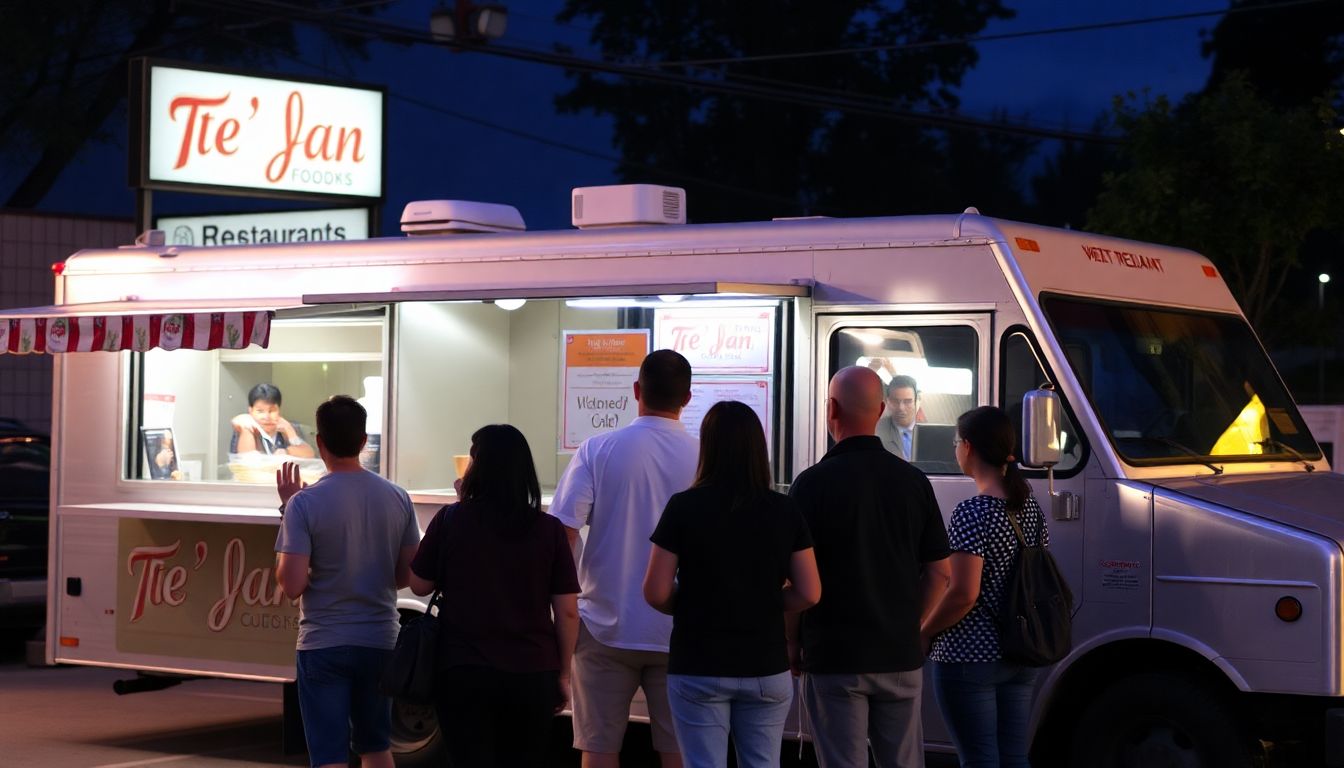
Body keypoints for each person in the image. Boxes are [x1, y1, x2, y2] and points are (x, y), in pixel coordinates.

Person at [788, 366, 951, 768]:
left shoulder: (810, 484)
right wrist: (912, 627)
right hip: (898, 653)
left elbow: (793, 577)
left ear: (831, 410)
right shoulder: (914, 482)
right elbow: (941, 573)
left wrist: (792, 641)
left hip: (835, 655)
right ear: (880, 409)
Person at [643, 400, 820, 768]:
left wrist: (693, 602)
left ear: (707, 447)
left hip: (698, 662)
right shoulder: (785, 509)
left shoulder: (683, 507)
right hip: (765, 665)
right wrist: (766, 601)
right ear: (759, 448)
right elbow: (809, 591)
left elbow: (655, 591)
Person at [550, 349, 700, 768]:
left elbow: (562, 533)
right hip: (681, 629)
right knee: (678, 750)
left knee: (598, 748)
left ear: (636, 391)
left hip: (603, 625)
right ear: (688, 398)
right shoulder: (706, 457)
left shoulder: (598, 449)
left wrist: (568, 606)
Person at [409, 424, 580, 767]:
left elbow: (418, 584)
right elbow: (567, 613)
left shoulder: (452, 520)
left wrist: (459, 510)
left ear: (477, 468)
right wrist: (562, 674)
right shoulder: (548, 530)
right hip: (532, 672)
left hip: (462, 671)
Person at [274, 395, 420, 768]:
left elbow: (291, 584)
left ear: (320, 442)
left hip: (324, 642)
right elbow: (406, 575)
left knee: (329, 754)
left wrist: (287, 509)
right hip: (380, 640)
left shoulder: (304, 504)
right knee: (375, 745)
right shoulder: (398, 497)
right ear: (363, 442)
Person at [921, 406, 1049, 768]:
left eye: (956, 442)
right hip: (1021, 650)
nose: (955, 450)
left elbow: (963, 593)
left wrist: (925, 631)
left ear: (969, 447)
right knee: (1013, 757)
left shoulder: (973, 511)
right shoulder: (1029, 507)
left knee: (979, 759)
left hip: (968, 657)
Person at [232, 383, 315, 458]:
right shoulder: (245, 426)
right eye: (260, 411)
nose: (267, 417)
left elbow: (309, 454)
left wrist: (288, 445)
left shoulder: (288, 426)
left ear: (279, 410)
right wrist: (245, 429)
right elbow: (247, 461)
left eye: (272, 411)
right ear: (251, 411)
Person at [876, 375, 920, 460]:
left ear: (917, 401)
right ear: (887, 401)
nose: (901, 408)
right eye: (895, 401)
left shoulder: (933, 430)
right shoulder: (876, 431)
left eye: (907, 401)